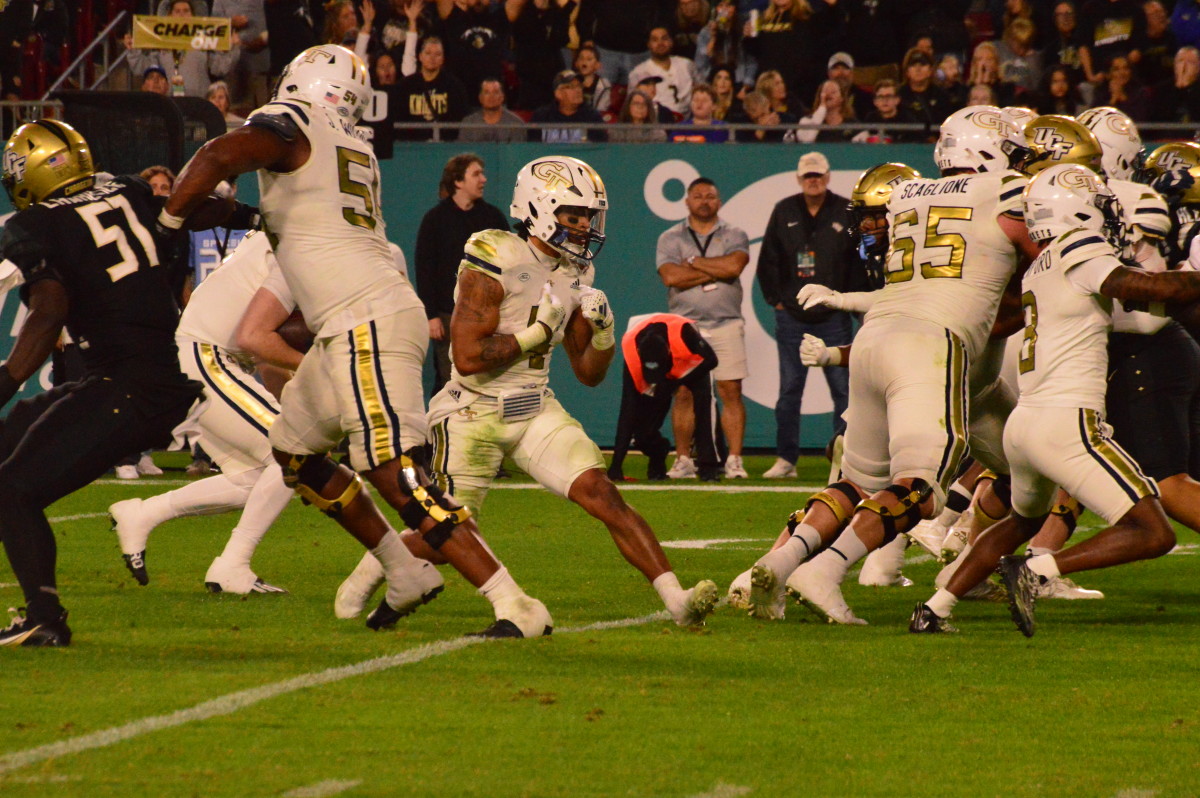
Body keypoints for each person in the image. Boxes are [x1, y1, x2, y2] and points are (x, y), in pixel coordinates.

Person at [161, 44, 551, 638]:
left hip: (363, 320)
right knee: (295, 453)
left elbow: (222, 151)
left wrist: (168, 222)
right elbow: (296, 218)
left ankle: (514, 603)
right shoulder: (352, 144)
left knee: (398, 474)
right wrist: (237, 215)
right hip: (350, 321)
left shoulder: (293, 124)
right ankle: (404, 571)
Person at [336, 155, 720, 629]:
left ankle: (676, 599)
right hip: (472, 412)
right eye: (574, 215)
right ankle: (372, 571)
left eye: (589, 217)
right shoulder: (495, 253)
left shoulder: (578, 273)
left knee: (603, 493)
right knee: (449, 528)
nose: (584, 227)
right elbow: (467, 356)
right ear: (540, 208)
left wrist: (602, 335)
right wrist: (537, 334)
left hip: (535, 406)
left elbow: (588, 373)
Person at [910, 163, 1200, 636]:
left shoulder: (1039, 268)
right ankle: (1038, 570)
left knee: (1022, 521)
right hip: (1067, 421)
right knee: (1154, 532)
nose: (1108, 215)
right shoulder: (1078, 246)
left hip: (1023, 426)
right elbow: (1145, 288)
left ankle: (934, 608)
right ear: (1077, 208)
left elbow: (1141, 309)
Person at [780, 107, 1038, 624]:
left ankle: (772, 566)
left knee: (854, 481)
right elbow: (1044, 268)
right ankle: (829, 570)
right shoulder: (1008, 192)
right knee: (921, 487)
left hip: (885, 336)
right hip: (938, 349)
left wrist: (840, 304)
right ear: (988, 152)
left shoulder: (907, 195)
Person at [0, 120, 207, 646]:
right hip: (141, 376)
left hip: (126, 385)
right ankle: (41, 612)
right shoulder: (131, 188)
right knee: (9, 448)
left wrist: (5, 381)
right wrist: (249, 215)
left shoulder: (37, 224)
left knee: (11, 491)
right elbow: (189, 207)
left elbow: (49, 312)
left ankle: (45, 618)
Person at [108, 231, 301, 594]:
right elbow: (256, 339)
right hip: (205, 356)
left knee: (254, 478)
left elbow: (263, 350)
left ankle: (143, 513)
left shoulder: (271, 245)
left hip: (202, 358)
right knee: (292, 451)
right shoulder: (297, 247)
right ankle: (232, 564)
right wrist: (316, 367)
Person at [755, 152, 862, 479]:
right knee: (789, 390)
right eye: (808, 176)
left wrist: (851, 303)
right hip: (793, 317)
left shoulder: (846, 210)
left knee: (844, 391)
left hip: (833, 313)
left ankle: (844, 455)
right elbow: (768, 259)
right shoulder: (784, 210)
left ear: (827, 177)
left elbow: (857, 260)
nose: (813, 180)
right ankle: (786, 459)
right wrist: (776, 299)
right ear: (799, 179)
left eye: (818, 175)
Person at [656, 177, 750, 480]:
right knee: (683, 393)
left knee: (731, 390)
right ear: (687, 202)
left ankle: (734, 459)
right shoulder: (670, 237)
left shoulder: (735, 233)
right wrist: (715, 271)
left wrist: (694, 262)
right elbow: (671, 277)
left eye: (710, 196)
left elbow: (734, 268)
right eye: (698, 196)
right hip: (686, 326)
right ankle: (683, 458)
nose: (704, 201)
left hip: (726, 322)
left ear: (719, 201)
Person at [414, 153, 509, 398]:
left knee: (488, 379)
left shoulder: (493, 218)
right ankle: (440, 433)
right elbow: (424, 269)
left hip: (489, 315)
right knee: (450, 381)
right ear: (458, 181)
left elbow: (511, 262)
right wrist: (431, 316)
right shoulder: (435, 220)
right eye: (476, 174)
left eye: (483, 174)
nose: (484, 179)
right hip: (448, 316)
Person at [608, 314, 719, 482]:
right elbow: (627, 411)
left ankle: (708, 467)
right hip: (662, 366)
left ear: (667, 352)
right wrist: (616, 466)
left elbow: (711, 360)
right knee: (642, 434)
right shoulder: (631, 352)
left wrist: (678, 383)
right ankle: (658, 454)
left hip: (689, 363)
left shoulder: (685, 334)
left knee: (702, 404)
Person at [126, 0, 242, 98]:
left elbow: (221, 68)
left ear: (193, 16)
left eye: (186, 11)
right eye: (177, 11)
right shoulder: (161, 46)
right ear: (169, 16)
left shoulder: (203, 45)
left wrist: (234, 48)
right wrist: (132, 50)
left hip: (199, 102)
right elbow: (143, 68)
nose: (182, 15)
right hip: (169, 103)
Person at [390, 35, 469, 140]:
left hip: (443, 146)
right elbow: (397, 117)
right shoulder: (404, 86)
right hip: (411, 147)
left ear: (443, 59)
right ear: (420, 56)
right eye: (428, 53)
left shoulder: (454, 86)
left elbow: (458, 118)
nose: (432, 58)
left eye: (437, 54)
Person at [628, 26, 698, 117]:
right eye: (655, 40)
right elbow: (631, 105)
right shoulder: (639, 72)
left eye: (664, 38)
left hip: (687, 122)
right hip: (655, 122)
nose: (660, 43)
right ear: (648, 44)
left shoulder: (687, 64)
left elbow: (701, 90)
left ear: (671, 42)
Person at [528, 69, 608, 143]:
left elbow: (600, 148)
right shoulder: (542, 116)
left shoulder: (592, 116)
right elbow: (533, 147)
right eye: (571, 87)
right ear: (558, 94)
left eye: (579, 86)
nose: (578, 90)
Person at [458, 78, 527, 143]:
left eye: (496, 92)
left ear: (502, 97)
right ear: (480, 98)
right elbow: (464, 152)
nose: (491, 97)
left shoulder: (516, 124)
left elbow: (517, 153)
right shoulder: (468, 123)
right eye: (486, 92)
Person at [1150, 46, 1200, 123]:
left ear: (1198, 68)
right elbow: (1160, 118)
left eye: (1190, 62)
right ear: (1174, 65)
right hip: (1168, 134)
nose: (1184, 66)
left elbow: (1196, 116)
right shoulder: (1161, 89)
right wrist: (1178, 88)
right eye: (1180, 61)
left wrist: (1187, 87)